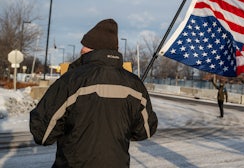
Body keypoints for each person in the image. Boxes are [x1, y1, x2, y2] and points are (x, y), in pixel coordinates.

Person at [30, 18, 158, 167]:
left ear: (90, 50)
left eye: (83, 48)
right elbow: (145, 130)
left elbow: (42, 133)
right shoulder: (135, 85)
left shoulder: (71, 81)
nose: (81, 51)